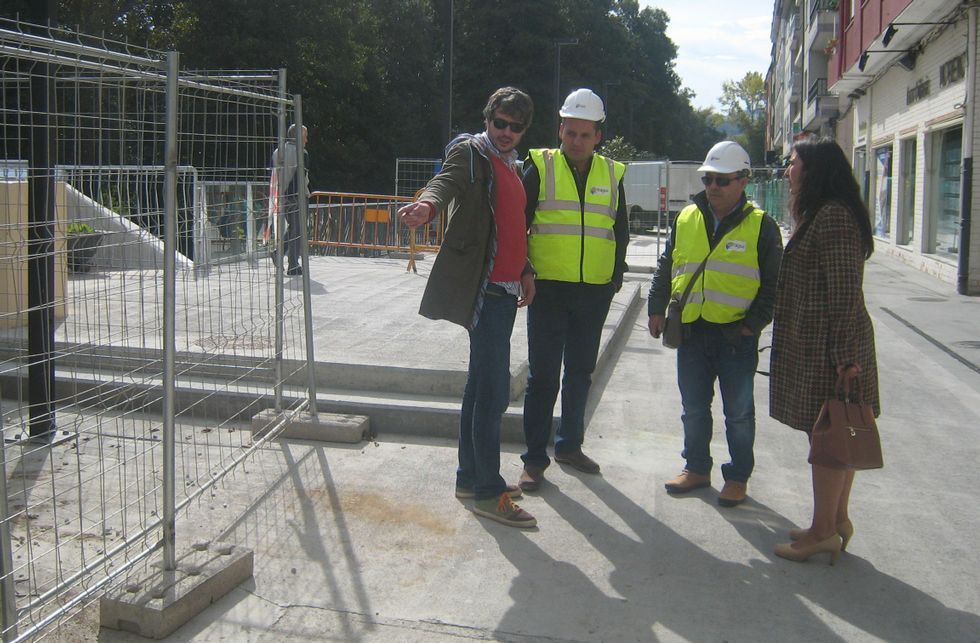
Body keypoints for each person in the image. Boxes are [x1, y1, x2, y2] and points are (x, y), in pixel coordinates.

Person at [397, 87, 538, 529]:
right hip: (488, 290)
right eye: (500, 122)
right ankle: (488, 491)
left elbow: (514, 227)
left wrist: (527, 269)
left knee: (481, 389)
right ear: (488, 118)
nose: (507, 131)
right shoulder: (471, 154)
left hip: (508, 286)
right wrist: (427, 205)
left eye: (516, 126)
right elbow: (446, 182)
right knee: (492, 392)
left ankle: (469, 477)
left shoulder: (513, 167)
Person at [648, 140, 782, 507]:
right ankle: (696, 467)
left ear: (743, 181)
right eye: (708, 179)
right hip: (691, 330)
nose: (713, 187)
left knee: (738, 413)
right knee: (693, 406)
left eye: (722, 180)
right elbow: (667, 265)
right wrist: (655, 307)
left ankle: (737, 476)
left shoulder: (762, 227)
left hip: (736, 336)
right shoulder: (687, 217)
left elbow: (775, 285)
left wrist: (752, 325)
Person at [770, 136, 880, 564]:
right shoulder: (824, 212)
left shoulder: (833, 217)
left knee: (829, 440)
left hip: (832, 351)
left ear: (815, 169)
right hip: (826, 346)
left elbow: (844, 294)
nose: (788, 170)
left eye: (793, 162)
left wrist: (846, 360)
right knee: (837, 437)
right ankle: (836, 521)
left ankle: (821, 531)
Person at [518, 88, 629, 491]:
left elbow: (620, 229)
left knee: (580, 373)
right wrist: (524, 269)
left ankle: (569, 445)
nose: (577, 141)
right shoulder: (539, 166)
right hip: (547, 289)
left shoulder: (612, 174)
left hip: (593, 292)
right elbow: (518, 224)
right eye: (571, 132)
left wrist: (615, 277)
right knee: (543, 377)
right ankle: (533, 460)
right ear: (560, 130)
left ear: (598, 134)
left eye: (585, 134)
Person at [270, 124, 309, 276]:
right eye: (305, 136)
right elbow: (300, 178)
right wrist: (291, 195)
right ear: (299, 137)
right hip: (296, 196)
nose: (306, 140)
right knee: (298, 231)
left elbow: (273, 176)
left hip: (280, 195)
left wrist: (281, 195)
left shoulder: (277, 152)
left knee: (293, 228)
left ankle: (278, 253)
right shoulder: (302, 153)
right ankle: (293, 265)